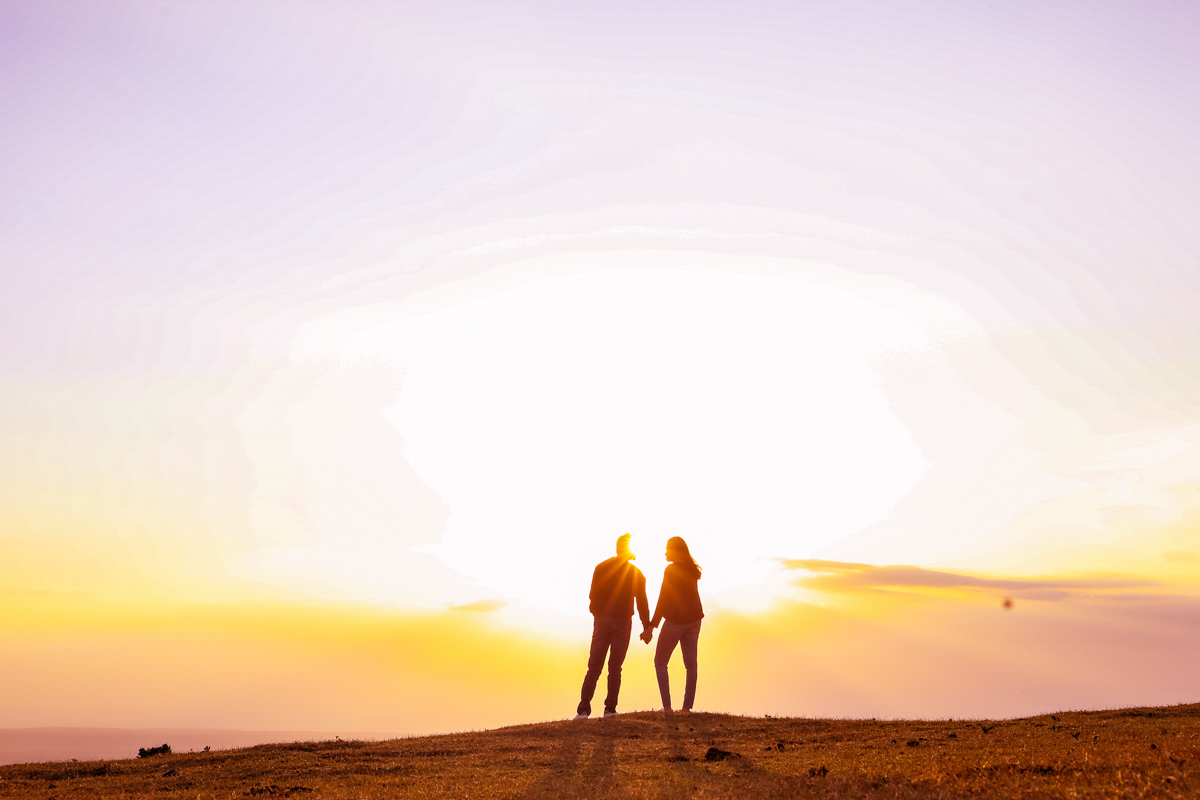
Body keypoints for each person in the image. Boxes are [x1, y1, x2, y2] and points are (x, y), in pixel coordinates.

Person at [574, 534, 652, 720]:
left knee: (594, 666)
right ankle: (610, 709)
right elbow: (642, 602)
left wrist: (598, 614)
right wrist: (646, 626)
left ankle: (583, 709)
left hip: (603, 621)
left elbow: (592, 596)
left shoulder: (601, 568)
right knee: (614, 667)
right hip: (622, 622)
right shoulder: (637, 574)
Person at [646, 537, 704, 713]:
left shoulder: (671, 569)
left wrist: (651, 626)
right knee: (691, 664)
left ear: (676, 550)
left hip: (676, 621)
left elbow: (664, 597)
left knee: (660, 662)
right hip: (694, 620)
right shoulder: (692, 569)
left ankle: (667, 707)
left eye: (667, 549)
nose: (665, 552)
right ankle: (686, 708)